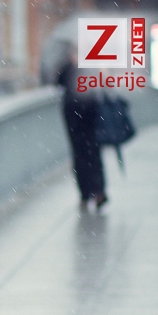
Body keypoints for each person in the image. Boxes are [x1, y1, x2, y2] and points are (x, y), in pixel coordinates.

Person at [56, 45, 107, 212]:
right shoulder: (73, 67)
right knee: (87, 153)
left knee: (86, 153)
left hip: (83, 115)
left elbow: (58, 82)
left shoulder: (85, 67)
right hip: (81, 116)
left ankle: (92, 193)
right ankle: (92, 192)